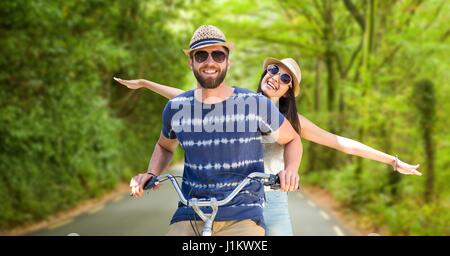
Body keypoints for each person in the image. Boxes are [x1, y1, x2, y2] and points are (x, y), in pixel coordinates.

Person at [117, 54, 422, 236]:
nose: (275, 77)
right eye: (273, 70)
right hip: (228, 203)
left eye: (285, 77)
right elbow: (184, 96)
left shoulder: (294, 123)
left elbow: (343, 144)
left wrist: (392, 160)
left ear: (289, 90)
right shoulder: (239, 103)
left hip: (271, 201)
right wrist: (145, 84)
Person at [128, 25, 302, 236]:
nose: (210, 62)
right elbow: (164, 146)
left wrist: (290, 170)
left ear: (228, 61)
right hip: (189, 213)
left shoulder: (255, 105)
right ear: (190, 62)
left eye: (218, 55)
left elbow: (292, 139)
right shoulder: (176, 108)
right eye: (201, 55)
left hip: (242, 216)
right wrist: (151, 173)